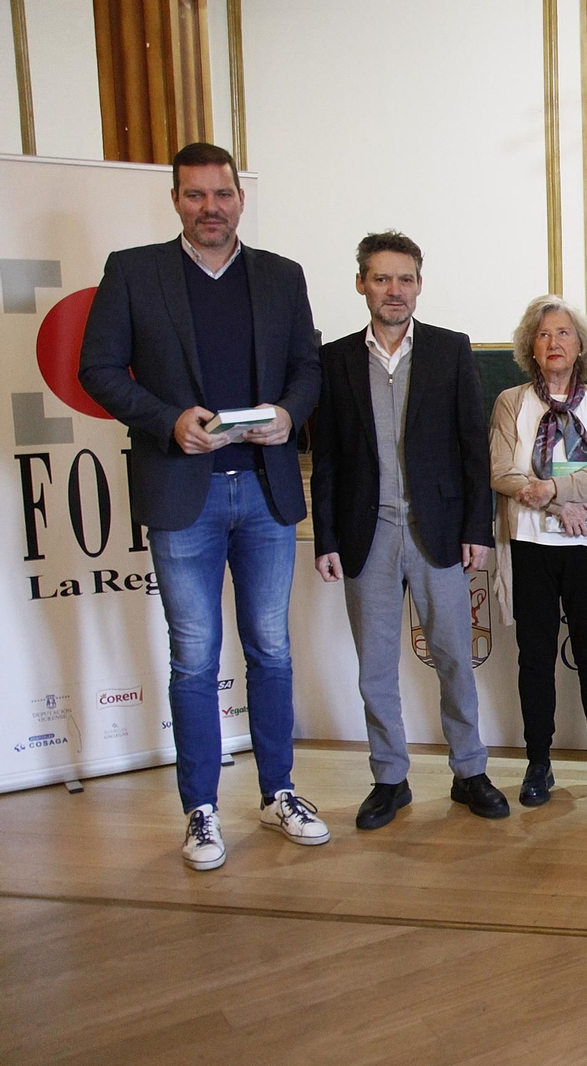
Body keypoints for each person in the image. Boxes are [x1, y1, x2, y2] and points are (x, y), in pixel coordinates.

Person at [78, 142, 328, 869]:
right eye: (195, 195)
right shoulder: (134, 272)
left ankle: (279, 792)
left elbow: (307, 367)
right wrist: (167, 421)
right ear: (176, 200)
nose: (210, 208)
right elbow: (98, 368)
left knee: (271, 648)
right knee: (193, 657)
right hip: (182, 488)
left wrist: (290, 413)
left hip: (264, 488)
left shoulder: (281, 275)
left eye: (222, 194)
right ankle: (201, 810)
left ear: (240, 200)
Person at [311, 230, 506, 828]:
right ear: (361, 284)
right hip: (366, 533)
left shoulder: (450, 350)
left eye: (405, 279)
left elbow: (472, 447)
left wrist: (478, 527)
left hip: (438, 531)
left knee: (453, 657)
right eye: (381, 278)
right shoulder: (335, 360)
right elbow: (328, 458)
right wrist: (326, 537)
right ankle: (389, 779)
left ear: (419, 285)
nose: (393, 290)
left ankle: (469, 770)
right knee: (375, 667)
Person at [489, 296, 587, 808]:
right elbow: (501, 471)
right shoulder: (510, 402)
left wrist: (552, 490)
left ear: (581, 345)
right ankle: (538, 763)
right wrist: (556, 504)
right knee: (535, 657)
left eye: (564, 333)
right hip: (530, 545)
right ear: (531, 346)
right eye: (543, 334)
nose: (553, 342)